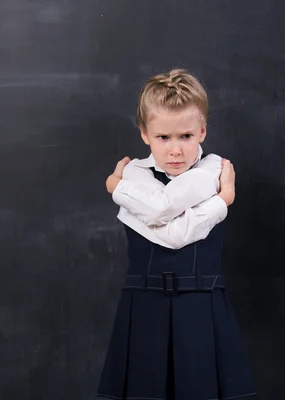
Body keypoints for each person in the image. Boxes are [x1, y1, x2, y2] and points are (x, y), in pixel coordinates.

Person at [97, 69, 256, 400]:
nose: (175, 151)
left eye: (185, 136)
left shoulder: (213, 168)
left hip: (202, 307)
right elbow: (163, 213)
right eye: (163, 138)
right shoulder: (135, 173)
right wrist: (221, 202)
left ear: (202, 131)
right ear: (144, 134)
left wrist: (118, 189)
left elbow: (165, 222)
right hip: (143, 308)